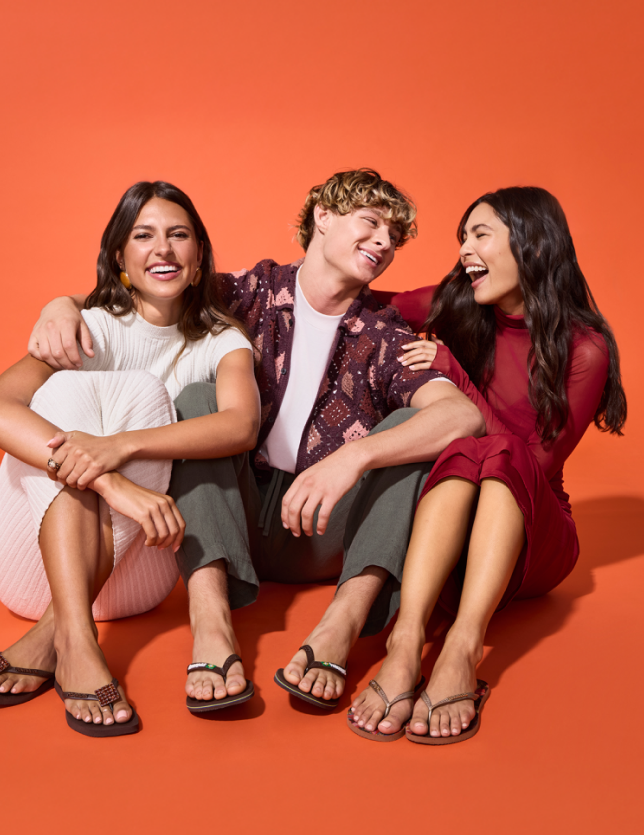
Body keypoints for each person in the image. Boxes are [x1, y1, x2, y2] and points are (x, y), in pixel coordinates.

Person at [27, 168, 485, 710]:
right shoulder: (248, 293)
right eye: (371, 223)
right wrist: (63, 303)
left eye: (394, 237)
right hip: (231, 515)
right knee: (199, 398)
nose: (384, 243)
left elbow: (461, 417)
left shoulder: (386, 336)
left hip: (321, 531)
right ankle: (211, 621)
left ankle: (342, 622)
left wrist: (353, 459)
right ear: (324, 217)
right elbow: (152, 288)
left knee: (408, 436)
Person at [0, 181, 260, 736]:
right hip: (25, 563)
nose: (162, 249)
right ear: (120, 258)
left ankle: (62, 635)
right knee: (69, 393)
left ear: (198, 259)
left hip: (138, 571)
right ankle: (71, 633)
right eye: (143, 236)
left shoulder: (221, 340)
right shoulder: (89, 325)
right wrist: (115, 485)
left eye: (179, 235)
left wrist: (121, 447)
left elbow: (241, 424)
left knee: (143, 397)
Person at [347, 186, 626, 743]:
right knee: (459, 447)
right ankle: (406, 640)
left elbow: (536, 464)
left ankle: (461, 646)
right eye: (462, 238)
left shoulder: (584, 348)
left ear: (533, 245)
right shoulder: (459, 302)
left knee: (491, 450)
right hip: (448, 533)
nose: (465, 251)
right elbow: (373, 303)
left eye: (480, 235)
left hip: (532, 539)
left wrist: (453, 377)